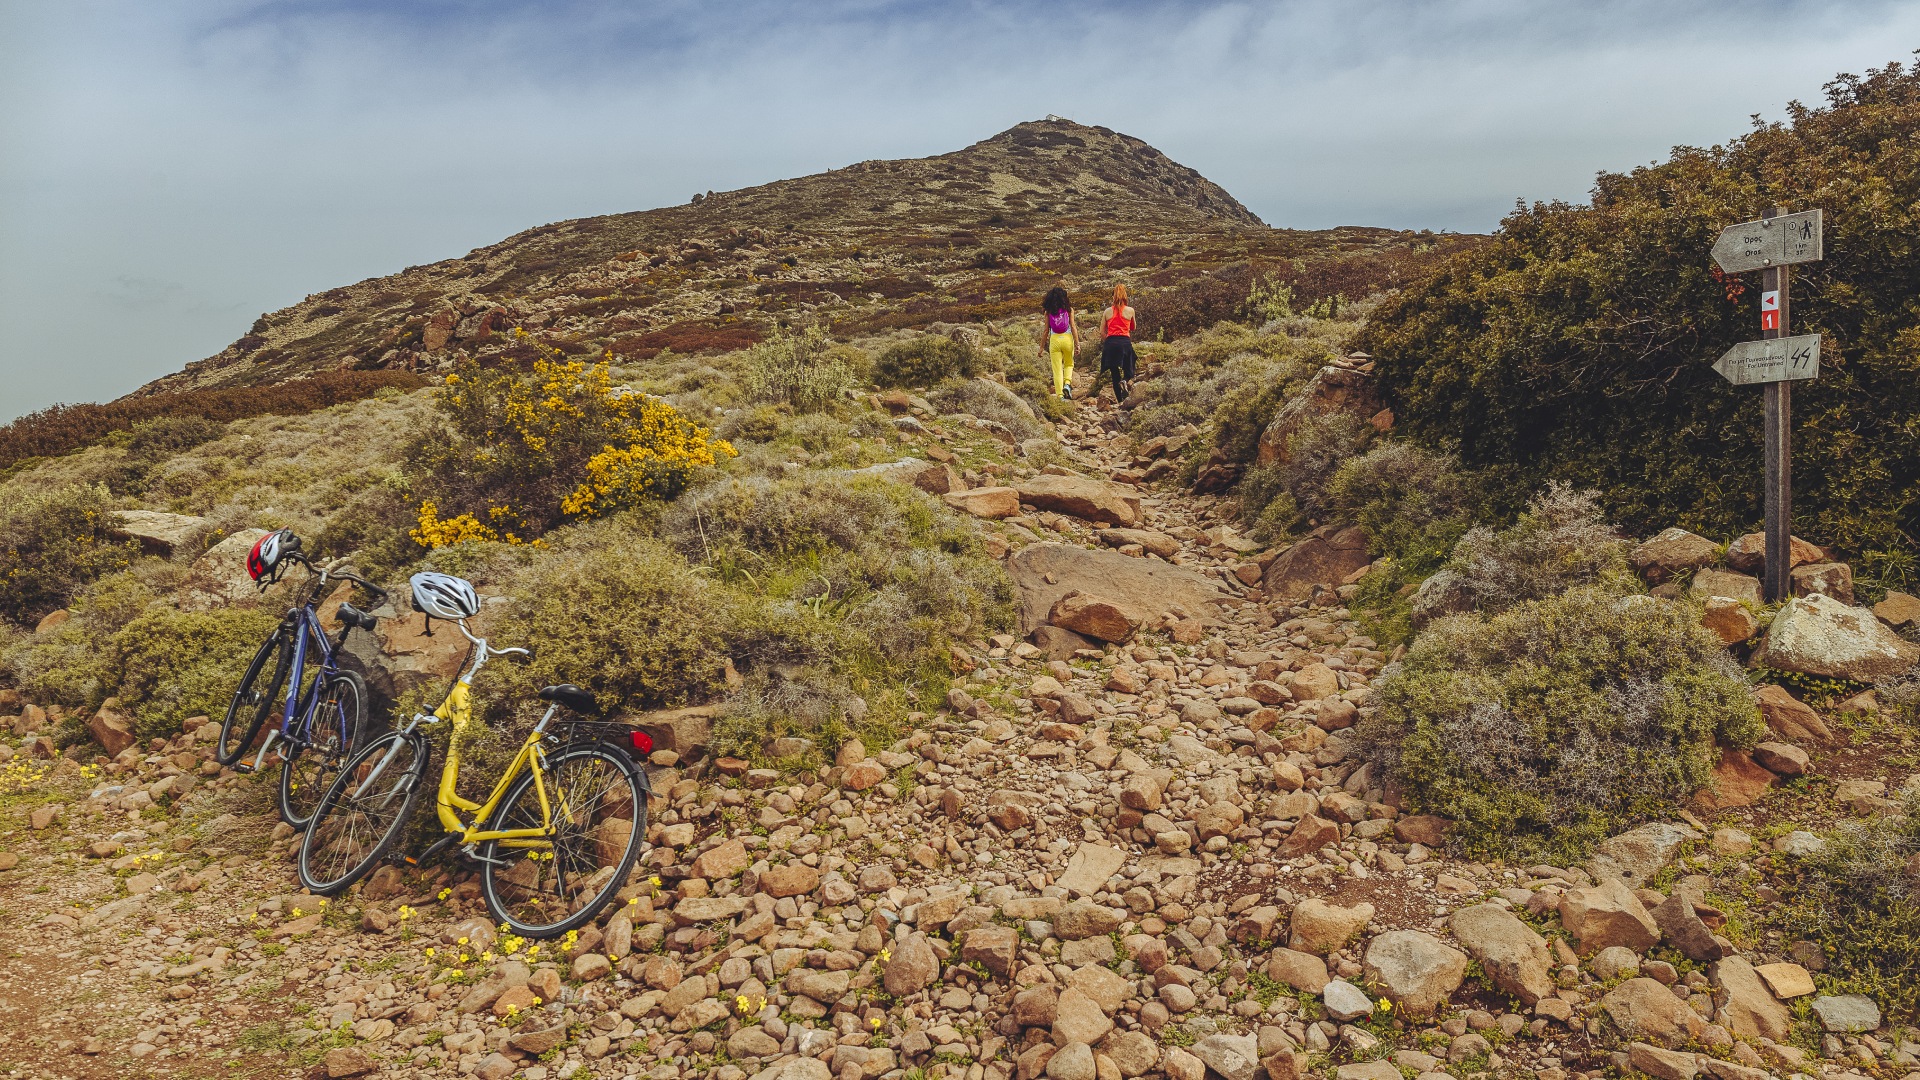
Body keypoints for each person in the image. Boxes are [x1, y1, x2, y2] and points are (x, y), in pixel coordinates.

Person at [1100, 284, 1138, 403]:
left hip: (1111, 343)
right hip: (1124, 342)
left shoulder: (1107, 311)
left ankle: (1120, 401)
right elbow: (1133, 327)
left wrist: (1109, 340)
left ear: (1113, 297)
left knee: (1114, 372)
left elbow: (1101, 331)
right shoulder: (1130, 310)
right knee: (1130, 367)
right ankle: (1125, 380)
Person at [1040, 287, 1078, 400]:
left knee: (1057, 369)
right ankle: (1067, 383)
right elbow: (1073, 327)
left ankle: (1060, 396)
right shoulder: (1069, 309)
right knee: (1069, 364)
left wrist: (1041, 348)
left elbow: (1046, 331)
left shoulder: (1048, 312)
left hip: (1055, 340)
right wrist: (1077, 344)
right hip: (1067, 339)